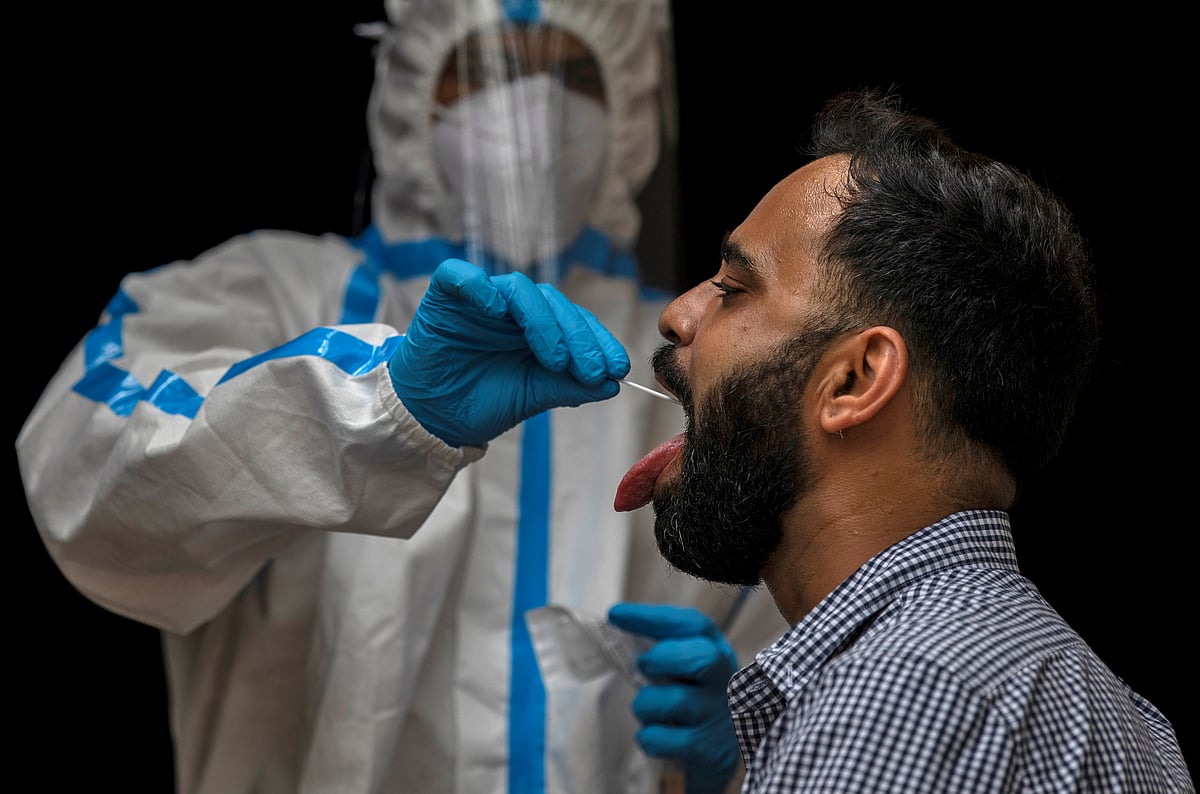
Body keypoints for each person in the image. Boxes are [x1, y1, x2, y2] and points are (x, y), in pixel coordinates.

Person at [16, 1, 786, 792]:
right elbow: (88, 482)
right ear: (413, 94)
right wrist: (379, 404)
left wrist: (748, 748)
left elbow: (807, 623)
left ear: (630, 104)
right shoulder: (267, 297)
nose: (534, 105)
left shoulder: (691, 355)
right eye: (486, 67)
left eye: (574, 73)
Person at [606, 87, 1195, 791]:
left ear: (855, 380)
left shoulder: (900, 696)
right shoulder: (1105, 707)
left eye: (734, 286)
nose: (678, 315)